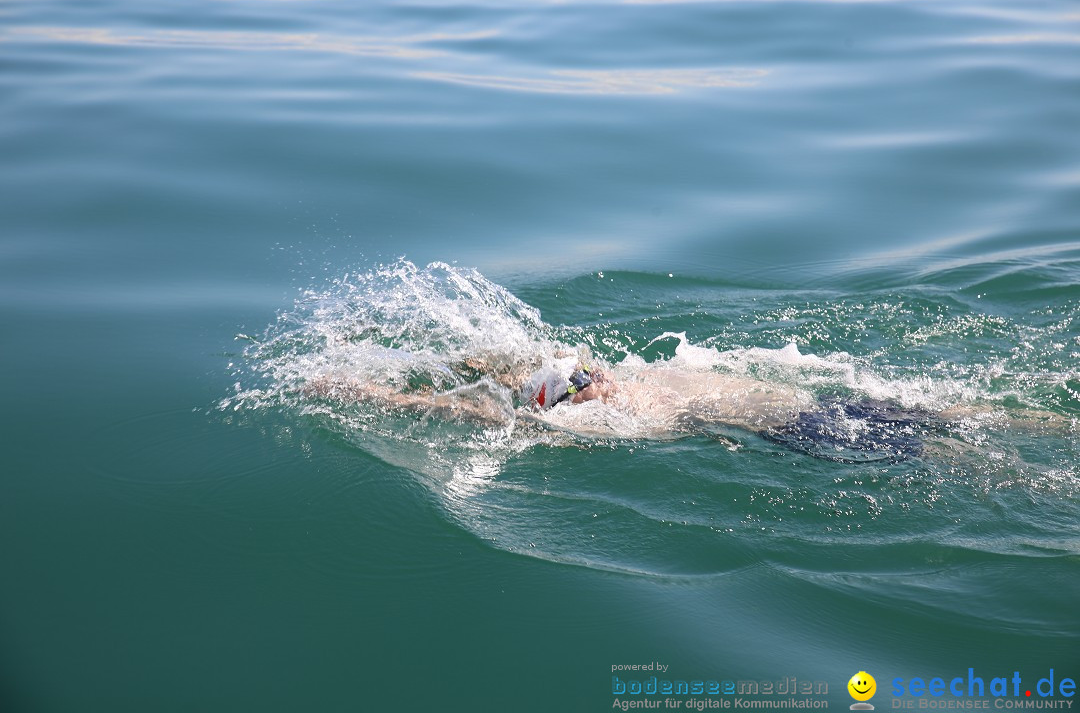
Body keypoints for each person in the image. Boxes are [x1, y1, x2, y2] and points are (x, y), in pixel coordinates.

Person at [304, 349, 1068, 463]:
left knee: (988, 425)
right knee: (968, 446)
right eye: (583, 379)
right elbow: (494, 414)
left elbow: (514, 394)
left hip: (826, 412)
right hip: (812, 417)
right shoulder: (646, 393)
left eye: (587, 370)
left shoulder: (639, 392)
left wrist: (484, 361)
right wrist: (377, 389)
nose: (594, 376)